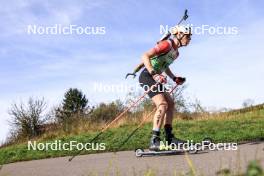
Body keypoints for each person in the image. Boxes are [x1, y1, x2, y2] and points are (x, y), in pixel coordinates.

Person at [138, 25, 192, 151]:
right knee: (162, 104)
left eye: (190, 37)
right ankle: (154, 140)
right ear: (179, 35)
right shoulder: (166, 44)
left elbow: (165, 66)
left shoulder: (176, 53)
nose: (189, 39)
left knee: (171, 103)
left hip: (155, 77)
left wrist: (174, 78)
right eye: (187, 36)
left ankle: (169, 138)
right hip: (147, 76)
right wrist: (154, 74)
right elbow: (144, 56)